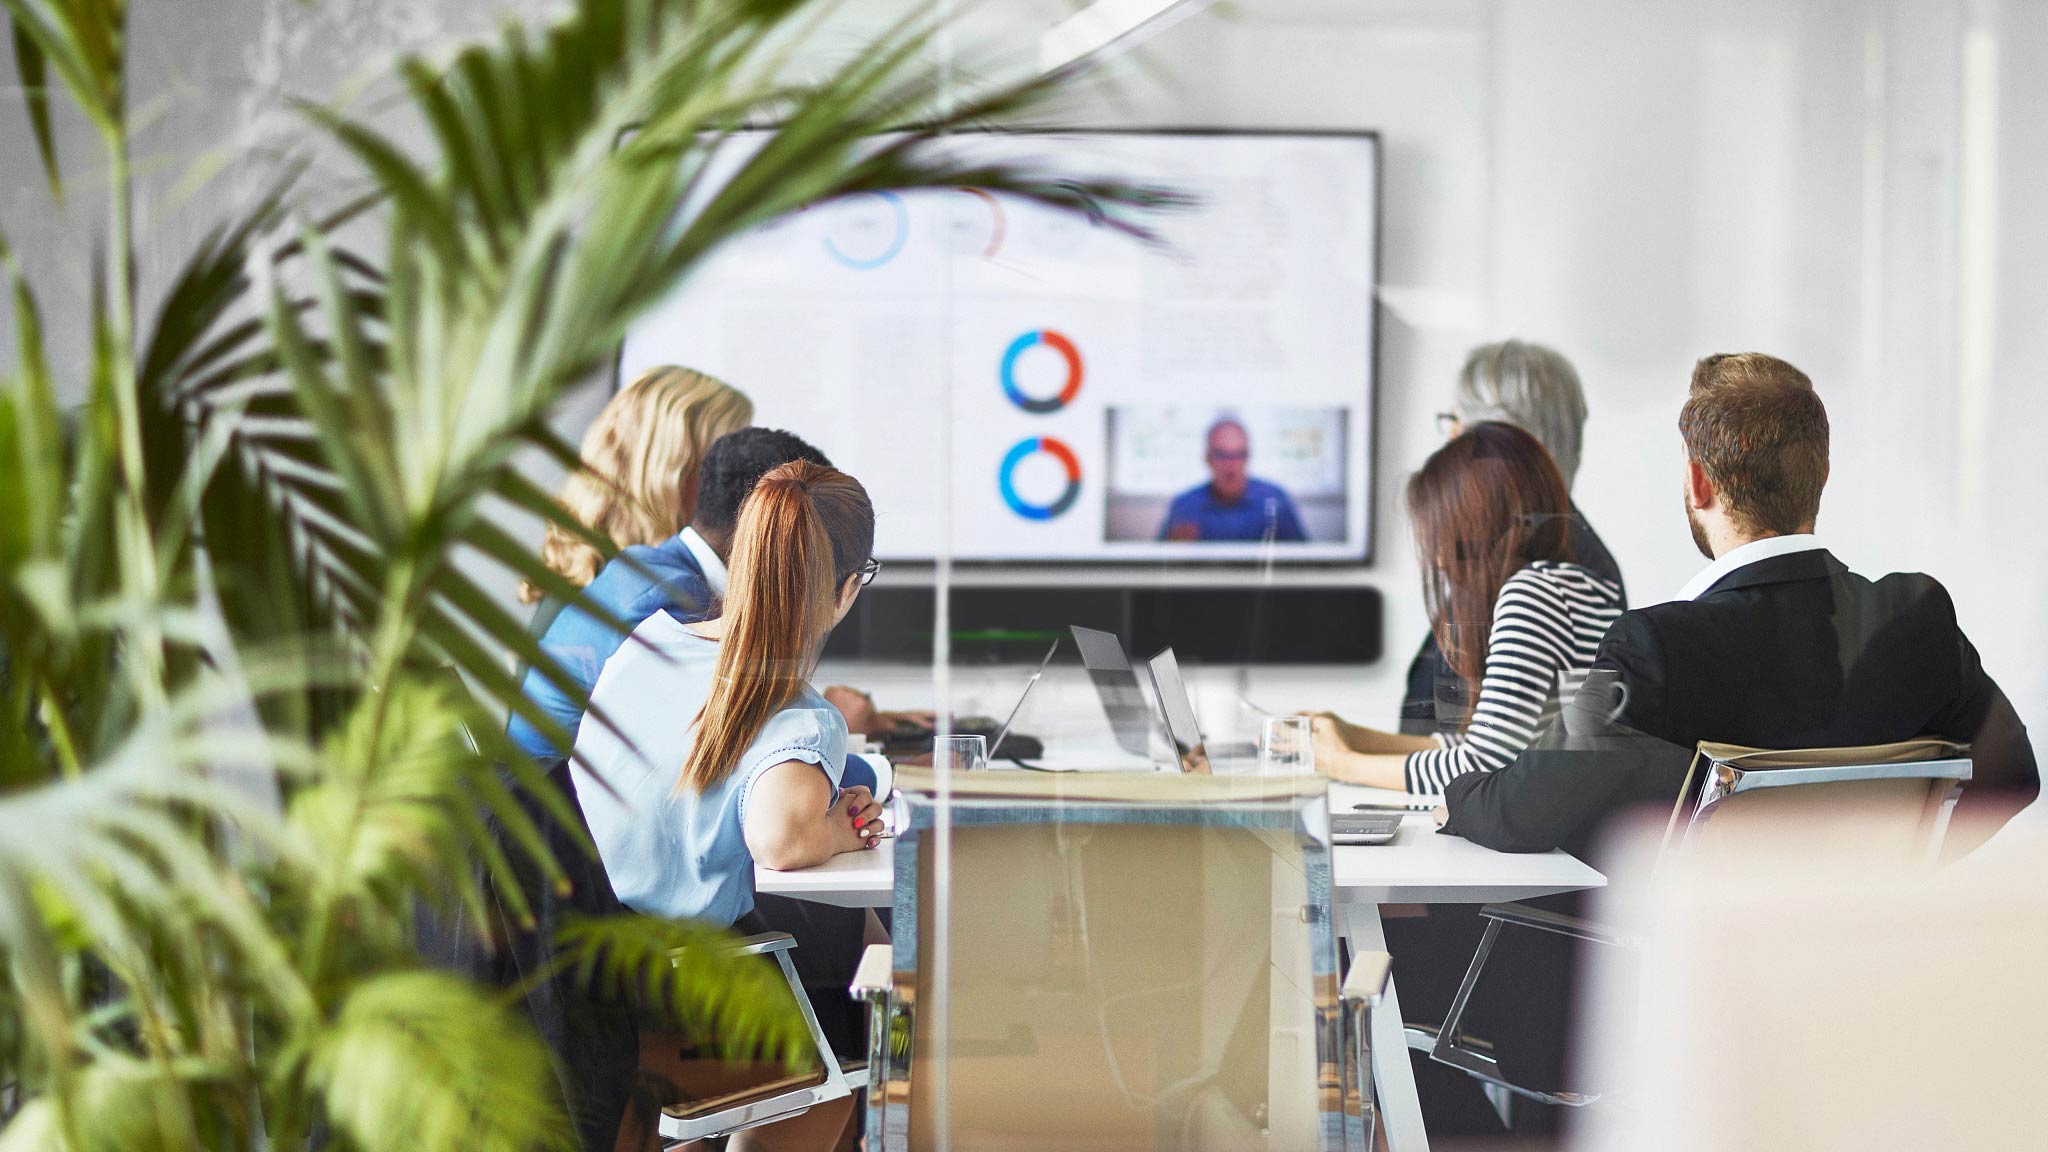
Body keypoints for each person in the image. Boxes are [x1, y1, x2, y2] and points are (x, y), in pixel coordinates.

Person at [1442, 352, 2039, 856]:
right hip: (1871, 970)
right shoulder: (1917, 615)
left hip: (1703, 983)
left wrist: (1455, 792)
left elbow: (1516, 812)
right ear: (1822, 475)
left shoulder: (1651, 648)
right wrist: (1879, 879)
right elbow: (2012, 777)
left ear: (1699, 483)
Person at [572, 461, 885, 1152]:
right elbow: (781, 842)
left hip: (592, 958)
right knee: (872, 987)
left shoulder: (646, 643)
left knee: (843, 950)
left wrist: (822, 820)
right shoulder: (800, 715)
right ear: (848, 589)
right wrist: (836, 827)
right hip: (682, 984)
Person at [509, 427, 928, 761]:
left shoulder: (644, 563)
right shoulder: (679, 605)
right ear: (762, 525)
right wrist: (863, 753)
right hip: (563, 843)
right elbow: (733, 761)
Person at [1308, 423, 1624, 793]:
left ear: (1479, 526)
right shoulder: (1576, 585)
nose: (1440, 560)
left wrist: (1342, 764)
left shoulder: (1533, 593)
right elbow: (1489, 744)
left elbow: (1482, 766)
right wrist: (1352, 737)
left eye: (1442, 537)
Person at [1401, 341, 1626, 734]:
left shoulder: (1541, 571)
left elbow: (1481, 756)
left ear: (1498, 443)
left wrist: (1346, 759)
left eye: (1459, 424)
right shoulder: (1557, 549)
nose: (1450, 439)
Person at [518, 365, 751, 611]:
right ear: (670, 469)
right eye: (727, 462)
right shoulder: (632, 605)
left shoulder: (597, 580)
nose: (742, 483)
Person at [1158, 416, 1307, 542]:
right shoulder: (1185, 506)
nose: (1231, 465)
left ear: (1248, 457)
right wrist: (1173, 551)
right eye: (1221, 455)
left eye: (1238, 455)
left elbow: (1306, 562)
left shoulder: (1275, 500)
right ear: (1208, 458)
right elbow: (1155, 566)